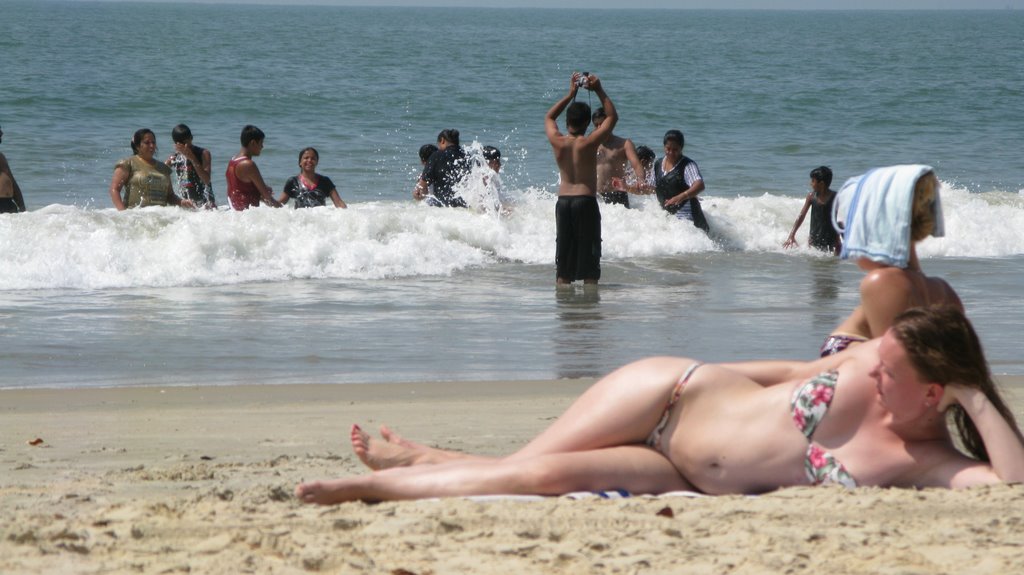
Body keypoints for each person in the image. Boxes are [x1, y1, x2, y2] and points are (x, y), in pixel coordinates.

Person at [295, 306, 1024, 505]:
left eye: (891, 369)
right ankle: (381, 483)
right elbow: (792, 370)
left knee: (539, 478)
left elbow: (1009, 483)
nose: (872, 364)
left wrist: (976, 395)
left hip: (680, 475)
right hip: (671, 392)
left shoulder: (923, 460)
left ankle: (412, 465)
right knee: (529, 464)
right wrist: (703, 372)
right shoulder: (869, 358)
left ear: (936, 391)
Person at [820, 165, 962, 356]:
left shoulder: (882, 282)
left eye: (847, 228)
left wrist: (797, 375)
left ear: (868, 226)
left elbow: (890, 366)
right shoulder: (944, 292)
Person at [546, 72, 618, 286]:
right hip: (585, 202)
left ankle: (565, 312)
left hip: (564, 202)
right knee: (590, 258)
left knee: (564, 261)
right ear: (588, 123)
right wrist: (598, 89)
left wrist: (570, 94)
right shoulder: (589, 143)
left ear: (567, 121)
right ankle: (588, 312)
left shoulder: (557, 141)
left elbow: (549, 117)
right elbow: (612, 117)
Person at [109, 129, 195, 210]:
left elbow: (170, 196)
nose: (152, 145)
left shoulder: (164, 168)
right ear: (137, 146)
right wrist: (123, 213)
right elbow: (114, 189)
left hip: (157, 217)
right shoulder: (128, 163)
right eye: (147, 143)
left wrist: (182, 202)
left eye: (153, 142)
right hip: (134, 216)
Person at [653, 129, 709, 232]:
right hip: (670, 222)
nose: (670, 152)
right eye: (668, 148)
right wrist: (627, 187)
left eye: (675, 149)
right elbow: (653, 188)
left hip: (690, 225)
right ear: (664, 147)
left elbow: (699, 185)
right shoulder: (658, 164)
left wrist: (681, 197)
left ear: (681, 148)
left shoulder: (687, 165)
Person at [591, 107, 645, 209]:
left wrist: (641, 180)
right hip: (596, 195)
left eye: (601, 124)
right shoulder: (591, 144)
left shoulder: (624, 144)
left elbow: (637, 165)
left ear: (609, 124)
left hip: (617, 194)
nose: (599, 128)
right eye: (596, 125)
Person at [783, 166, 840, 254]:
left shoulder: (835, 197)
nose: (810, 183)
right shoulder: (811, 197)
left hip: (831, 241)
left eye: (813, 181)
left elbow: (837, 220)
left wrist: (838, 240)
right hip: (814, 240)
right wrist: (792, 235)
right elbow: (801, 215)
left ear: (821, 184)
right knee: (814, 263)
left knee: (830, 264)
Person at [225, 125, 282, 210]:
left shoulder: (233, 161)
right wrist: (284, 211)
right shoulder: (248, 164)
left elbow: (240, 188)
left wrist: (259, 191)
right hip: (246, 216)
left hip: (235, 212)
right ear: (253, 143)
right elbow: (267, 198)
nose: (262, 147)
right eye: (261, 143)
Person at [165, 124, 215, 209]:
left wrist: (192, 158)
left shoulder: (203, 153)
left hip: (206, 205)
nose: (186, 147)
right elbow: (161, 172)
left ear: (191, 138)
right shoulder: (175, 158)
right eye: (182, 144)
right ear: (176, 144)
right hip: (187, 206)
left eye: (187, 142)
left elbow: (206, 180)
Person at [413, 129, 468, 208]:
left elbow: (420, 191)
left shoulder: (436, 156)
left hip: (442, 208)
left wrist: (417, 194)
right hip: (464, 207)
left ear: (442, 140)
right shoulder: (468, 155)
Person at [277, 147, 347, 208]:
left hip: (319, 220)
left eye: (313, 158)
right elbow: (280, 203)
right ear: (300, 162)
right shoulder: (293, 181)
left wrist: (350, 216)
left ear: (317, 162)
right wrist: (268, 202)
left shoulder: (325, 181)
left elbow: (338, 202)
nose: (309, 160)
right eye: (306, 158)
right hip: (299, 221)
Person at [0, 125, 26, 213]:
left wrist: (22, 208)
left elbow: (13, 183)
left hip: (8, 206)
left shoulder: (1, 157)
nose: (2, 133)